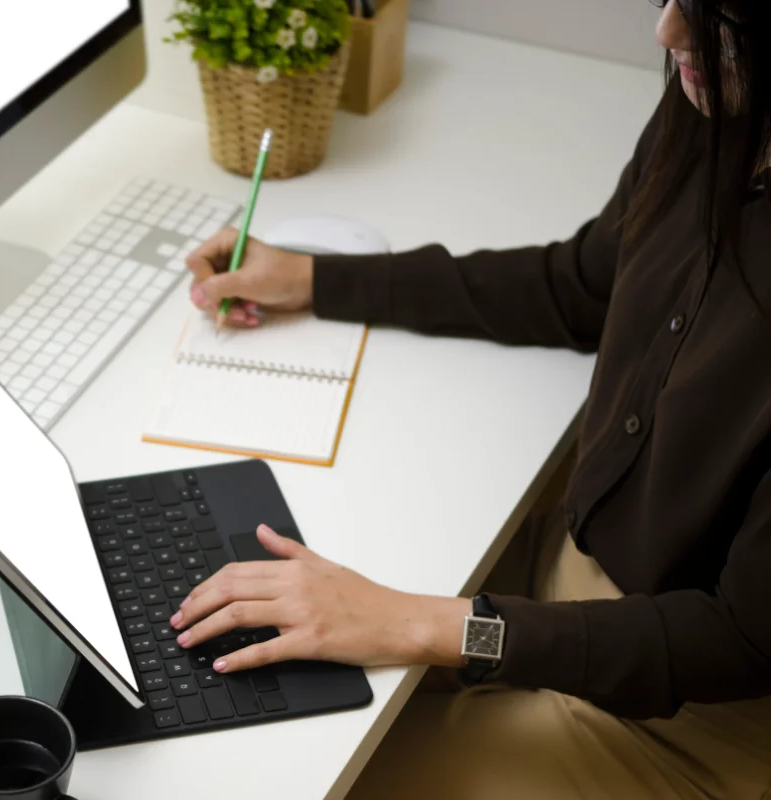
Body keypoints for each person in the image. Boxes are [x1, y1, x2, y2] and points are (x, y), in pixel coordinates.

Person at [175, 1, 771, 796]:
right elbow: (584, 286)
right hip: (572, 583)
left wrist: (425, 623)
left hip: (692, 711)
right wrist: (318, 279)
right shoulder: (715, 101)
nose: (668, 35)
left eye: (721, 22)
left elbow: (741, 638)